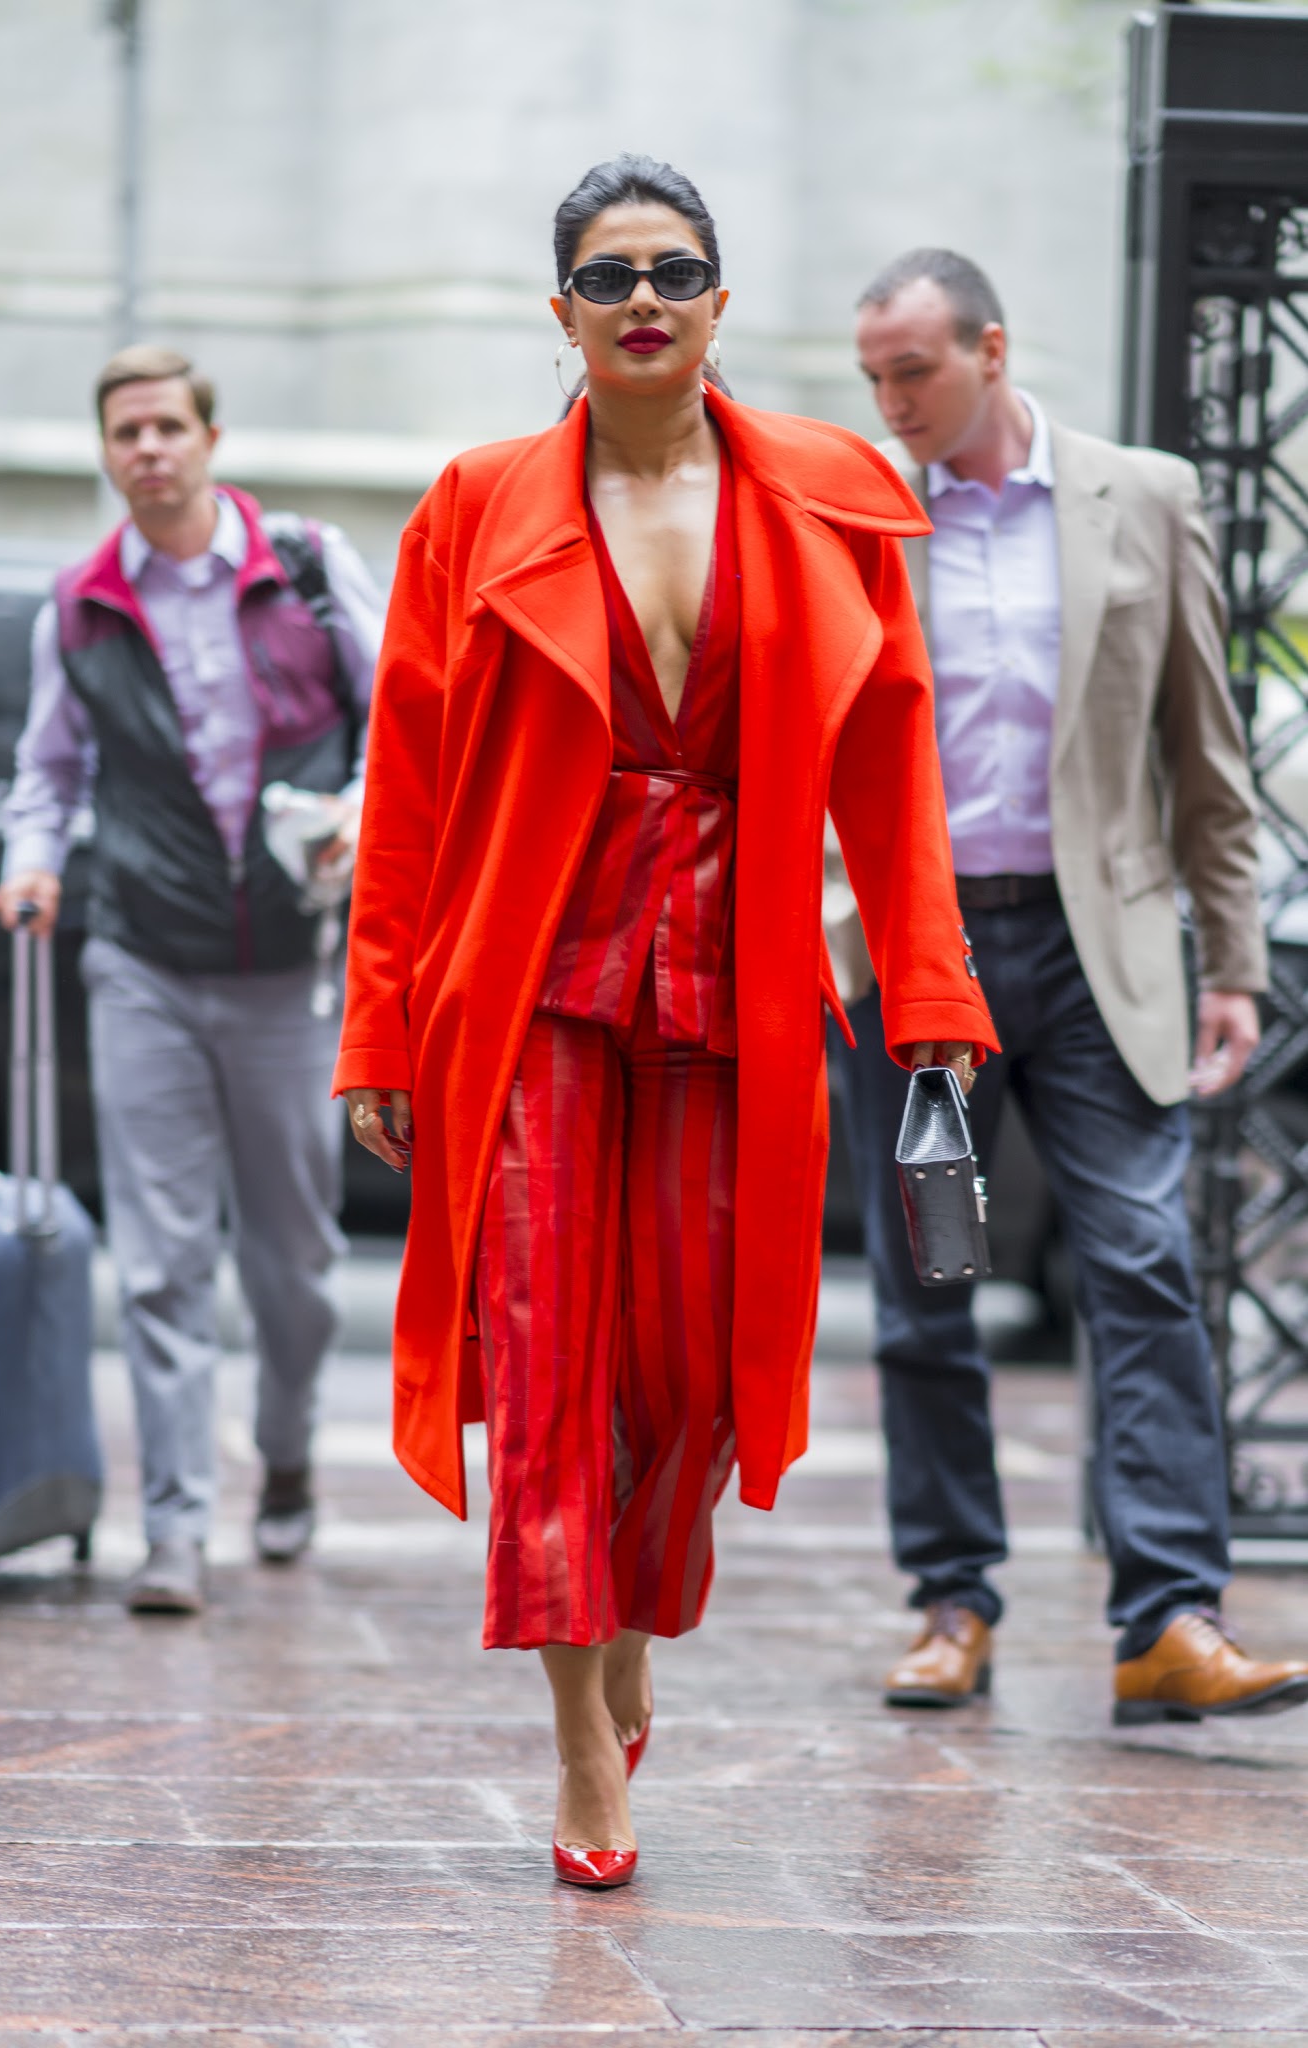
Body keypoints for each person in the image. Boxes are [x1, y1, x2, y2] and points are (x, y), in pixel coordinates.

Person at [337, 156, 998, 1890]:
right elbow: (406, 787)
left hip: (737, 974)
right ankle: (580, 1738)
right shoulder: (474, 504)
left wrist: (929, 982)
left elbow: (892, 763)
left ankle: (627, 1626)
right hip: (530, 983)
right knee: (545, 1358)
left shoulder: (832, 497)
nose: (644, 297)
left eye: (675, 269)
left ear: (719, 301)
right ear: (560, 310)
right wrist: (379, 1030)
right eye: (609, 273)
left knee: (694, 1371)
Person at [837, 248, 1308, 1722]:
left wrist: (1233, 960)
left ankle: (1168, 1617)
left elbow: (1204, 752)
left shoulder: (1142, 495)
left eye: (915, 370)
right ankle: (951, 1600)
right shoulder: (857, 509)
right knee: (929, 1286)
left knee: (1144, 1264)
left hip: (1100, 948)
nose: (892, 401)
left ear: (992, 349)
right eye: (873, 377)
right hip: (922, 959)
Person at [0, 345, 384, 1616]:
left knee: (293, 1260)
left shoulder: (309, 566)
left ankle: (285, 1453)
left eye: (168, 426)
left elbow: (404, 721)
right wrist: (33, 861)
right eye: (127, 432)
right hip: (143, 960)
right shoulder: (82, 605)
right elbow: (49, 771)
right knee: (161, 1259)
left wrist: (358, 813)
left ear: (210, 439)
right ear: (108, 453)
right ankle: (172, 1526)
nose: (149, 449)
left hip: (289, 966)